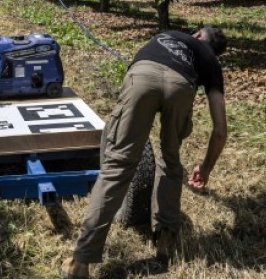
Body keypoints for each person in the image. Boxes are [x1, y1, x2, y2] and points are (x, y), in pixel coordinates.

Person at [59, 26, 228, 279]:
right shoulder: (211, 62)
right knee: (170, 161)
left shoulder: (167, 34)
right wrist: (205, 169)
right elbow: (220, 131)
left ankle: (80, 262)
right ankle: (165, 244)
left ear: (196, 35)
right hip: (181, 86)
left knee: (117, 167)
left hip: (142, 76)